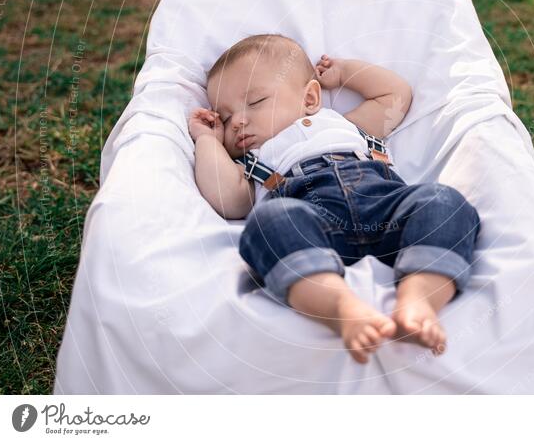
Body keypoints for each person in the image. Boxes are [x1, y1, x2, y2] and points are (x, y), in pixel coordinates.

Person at [188, 34, 481, 364]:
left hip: (387, 209)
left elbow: (395, 95)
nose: (238, 121)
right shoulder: (253, 162)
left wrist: (345, 73)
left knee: (441, 200)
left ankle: (419, 299)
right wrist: (208, 141)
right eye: (225, 118)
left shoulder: (345, 125)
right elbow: (227, 200)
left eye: (255, 102)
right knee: (269, 222)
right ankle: (341, 306)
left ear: (311, 97)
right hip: (312, 225)